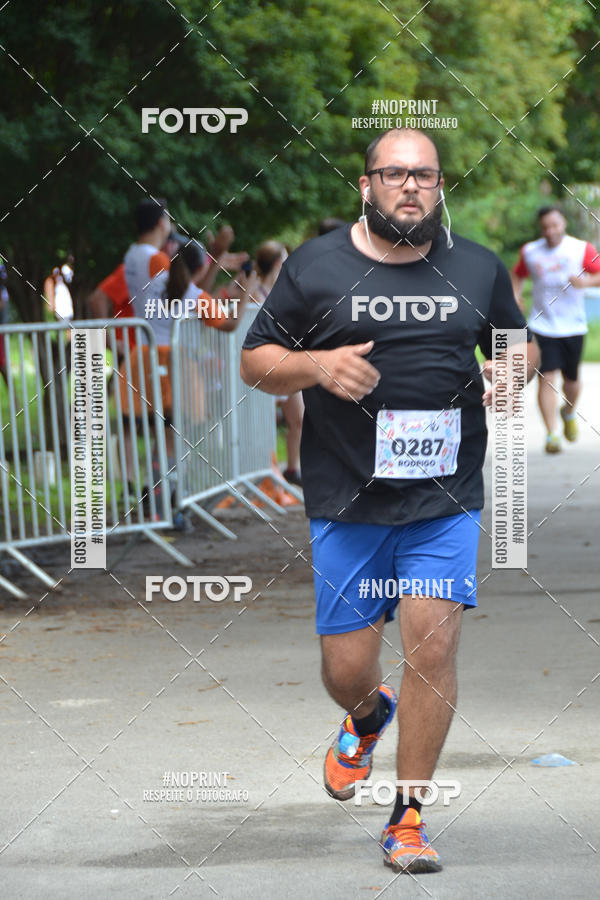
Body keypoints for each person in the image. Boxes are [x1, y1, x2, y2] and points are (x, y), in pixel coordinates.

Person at [241, 127, 538, 874]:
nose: (411, 185)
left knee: (432, 648)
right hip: (346, 496)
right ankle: (367, 713)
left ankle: (407, 818)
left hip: (445, 495)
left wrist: (513, 368)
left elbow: (518, 341)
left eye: (425, 175)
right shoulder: (316, 266)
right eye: (395, 173)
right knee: (346, 667)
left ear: (440, 186)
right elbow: (256, 362)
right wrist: (317, 365)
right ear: (366, 184)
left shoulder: (475, 265)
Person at [511, 205, 600, 453]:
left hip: (573, 325)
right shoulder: (531, 251)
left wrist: (586, 282)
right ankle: (551, 434)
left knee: (572, 380)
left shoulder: (581, 248)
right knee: (547, 377)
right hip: (542, 324)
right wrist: (515, 295)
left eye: (555, 225)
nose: (551, 231)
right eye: (546, 227)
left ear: (563, 224)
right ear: (541, 229)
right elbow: (518, 275)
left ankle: (568, 412)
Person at [243, 240, 304, 486]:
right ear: (279, 262)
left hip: (287, 363)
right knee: (266, 424)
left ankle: (292, 469)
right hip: (266, 366)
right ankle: (267, 474)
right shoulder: (255, 294)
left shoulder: (283, 292)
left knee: (299, 418)